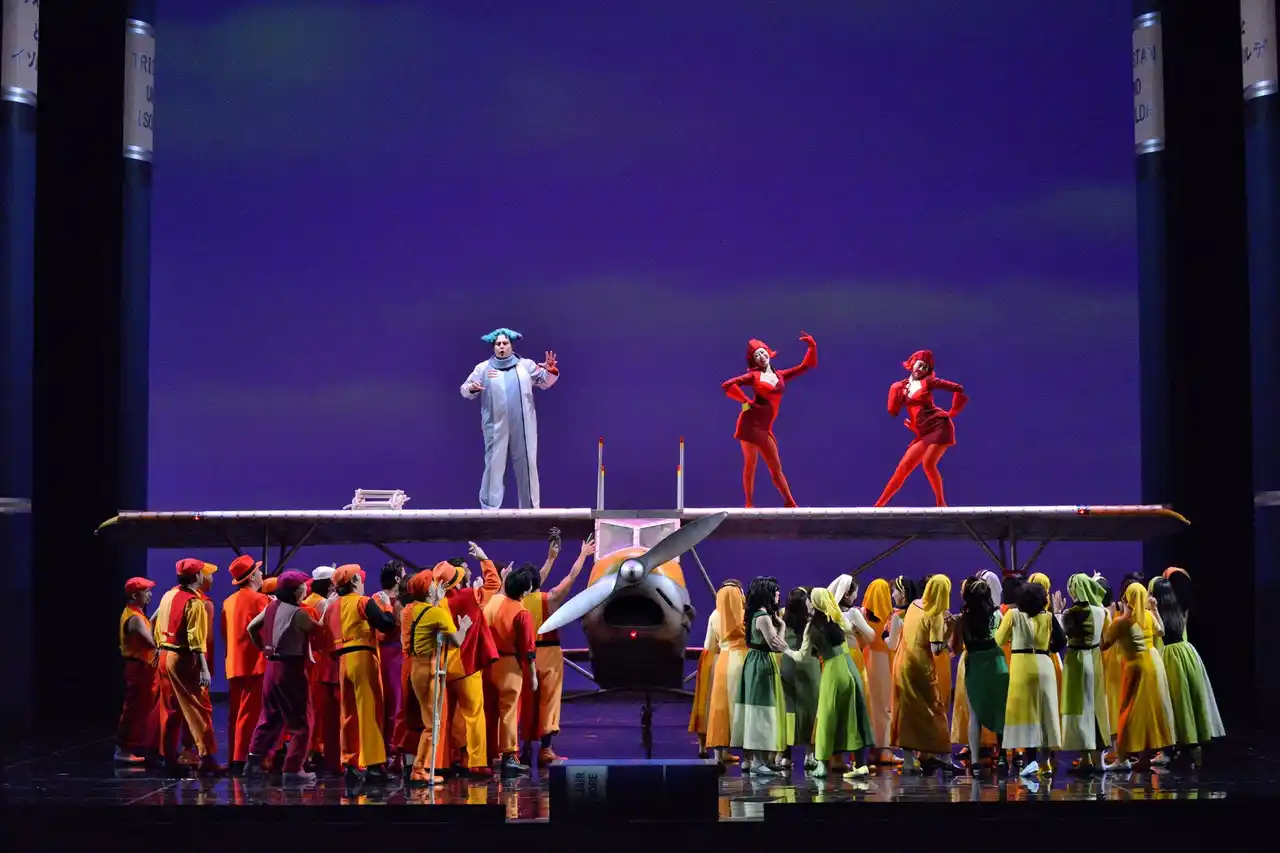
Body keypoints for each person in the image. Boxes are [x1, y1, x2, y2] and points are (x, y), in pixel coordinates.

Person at [460, 327, 560, 510]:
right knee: (494, 466)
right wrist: (472, 388)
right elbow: (465, 389)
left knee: (527, 465)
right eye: (498, 344)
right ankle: (489, 510)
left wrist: (551, 370)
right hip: (495, 426)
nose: (501, 346)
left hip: (523, 426)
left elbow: (544, 381)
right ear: (493, 347)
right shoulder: (483, 368)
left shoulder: (526, 366)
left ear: (511, 346)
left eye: (505, 343)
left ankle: (531, 511)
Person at [720, 332, 818, 507]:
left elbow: (804, 366)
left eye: (762, 352)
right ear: (754, 360)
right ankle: (749, 503)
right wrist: (745, 401)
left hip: (765, 426)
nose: (761, 356)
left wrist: (812, 346)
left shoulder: (780, 375)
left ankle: (790, 503)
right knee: (750, 464)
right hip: (750, 424)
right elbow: (727, 385)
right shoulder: (754, 376)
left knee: (775, 467)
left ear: (768, 352)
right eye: (757, 355)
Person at [785, 587, 875, 779]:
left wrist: (785, 649)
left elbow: (801, 656)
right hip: (850, 667)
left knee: (827, 718)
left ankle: (823, 765)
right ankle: (861, 764)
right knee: (854, 714)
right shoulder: (838, 618)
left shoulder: (812, 627)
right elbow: (854, 631)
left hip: (833, 670)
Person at [522, 535, 595, 766]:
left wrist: (550, 559)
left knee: (527, 702)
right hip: (549, 655)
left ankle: (524, 749)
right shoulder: (550, 598)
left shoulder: (516, 601)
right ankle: (546, 749)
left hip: (525, 656)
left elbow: (533, 583)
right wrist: (583, 554)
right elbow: (571, 576)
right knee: (549, 702)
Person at [324, 564, 399, 783]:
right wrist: (387, 606)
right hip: (362, 658)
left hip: (342, 661)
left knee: (348, 714)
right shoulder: (363, 602)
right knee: (369, 710)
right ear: (355, 581)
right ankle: (374, 766)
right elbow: (386, 625)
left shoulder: (332, 607)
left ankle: (350, 764)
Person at [244, 571, 319, 783]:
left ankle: (253, 761)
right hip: (290, 668)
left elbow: (251, 628)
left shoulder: (271, 607)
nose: (306, 589)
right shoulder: (298, 614)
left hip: (272, 666)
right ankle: (293, 769)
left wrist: (263, 648)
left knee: (269, 716)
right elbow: (320, 630)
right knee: (301, 721)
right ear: (296, 591)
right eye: (303, 586)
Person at [153, 559, 224, 776]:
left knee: (171, 709)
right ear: (197, 577)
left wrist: (158, 646)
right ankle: (206, 757)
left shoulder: (168, 595)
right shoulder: (194, 602)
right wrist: (203, 667)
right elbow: (196, 639)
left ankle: (168, 757)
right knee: (199, 707)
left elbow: (155, 619)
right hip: (182, 657)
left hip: (164, 655)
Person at [402, 572, 473, 785]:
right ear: (428, 591)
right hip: (430, 669)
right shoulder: (437, 613)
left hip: (415, 667)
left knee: (426, 720)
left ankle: (418, 767)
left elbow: (425, 617)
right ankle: (418, 769)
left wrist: (435, 600)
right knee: (432, 724)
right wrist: (464, 627)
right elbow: (456, 640)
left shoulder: (408, 610)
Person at [874, 349, 968, 507]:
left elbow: (958, 388)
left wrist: (952, 412)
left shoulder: (928, 382)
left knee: (928, 464)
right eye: (920, 365)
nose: (922, 369)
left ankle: (941, 504)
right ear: (912, 364)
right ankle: (878, 506)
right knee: (903, 467)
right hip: (925, 432)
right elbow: (893, 411)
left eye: (925, 367)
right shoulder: (902, 386)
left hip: (940, 427)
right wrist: (895, 391)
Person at [434, 559, 498, 778]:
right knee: (474, 715)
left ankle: (445, 761)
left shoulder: (437, 604)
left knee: (445, 718)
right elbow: (494, 584)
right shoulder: (470, 595)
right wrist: (484, 559)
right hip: (466, 666)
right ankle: (476, 763)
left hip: (443, 668)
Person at [1150, 576, 1224, 767]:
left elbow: (1159, 633)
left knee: (1178, 701)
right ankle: (1190, 746)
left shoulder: (1157, 612)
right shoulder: (1177, 608)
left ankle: (1185, 745)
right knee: (1187, 699)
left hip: (1171, 656)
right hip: (1187, 652)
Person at [1101, 582, 1174, 771]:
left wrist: (1105, 619)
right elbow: (1161, 631)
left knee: (1128, 710)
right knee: (1147, 711)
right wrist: (1154, 610)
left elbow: (1104, 644)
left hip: (1134, 667)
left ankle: (1122, 757)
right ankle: (1143, 757)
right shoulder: (1148, 616)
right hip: (1151, 665)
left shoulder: (1122, 622)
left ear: (1127, 599)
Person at [889, 574, 958, 773]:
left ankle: (909, 761)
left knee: (907, 712)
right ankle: (943, 756)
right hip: (921, 666)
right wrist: (951, 627)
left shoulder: (914, 605)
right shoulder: (935, 615)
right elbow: (937, 649)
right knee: (935, 710)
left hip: (902, 662)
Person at [997, 581, 1064, 776]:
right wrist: (1048, 648)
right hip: (1044, 664)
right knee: (1046, 713)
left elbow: (999, 639)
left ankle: (1031, 760)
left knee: (1027, 714)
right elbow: (1061, 641)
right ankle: (1045, 763)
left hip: (1022, 667)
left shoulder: (1013, 615)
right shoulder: (1049, 617)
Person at [482, 563, 540, 776]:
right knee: (509, 712)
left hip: (488, 664)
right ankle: (509, 757)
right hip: (508, 667)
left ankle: (486, 754)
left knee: (488, 711)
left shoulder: (493, 601)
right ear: (525, 592)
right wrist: (532, 675)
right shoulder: (522, 613)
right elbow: (528, 649)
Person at [948, 573, 1008, 774]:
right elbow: (1002, 638)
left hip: (975, 665)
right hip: (997, 664)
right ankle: (1002, 757)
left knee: (975, 715)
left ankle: (974, 761)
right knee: (1000, 711)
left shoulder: (962, 621)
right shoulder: (997, 616)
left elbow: (955, 649)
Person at [735, 577, 790, 774]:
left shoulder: (757, 615)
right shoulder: (764, 617)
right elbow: (776, 645)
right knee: (760, 710)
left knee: (763, 709)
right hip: (762, 663)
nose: (778, 594)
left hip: (758, 661)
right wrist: (782, 627)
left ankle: (763, 760)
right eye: (775, 590)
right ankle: (758, 762)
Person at [220, 555, 269, 775]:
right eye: (258, 571)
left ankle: (233, 757)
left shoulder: (228, 602)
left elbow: (224, 632)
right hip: (254, 663)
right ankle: (242, 759)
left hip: (234, 664)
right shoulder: (261, 600)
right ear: (251, 577)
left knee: (236, 714)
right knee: (250, 714)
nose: (262, 574)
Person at [1060, 573, 1112, 772]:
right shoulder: (1101, 612)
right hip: (1095, 659)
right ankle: (1098, 760)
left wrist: (1057, 612)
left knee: (1080, 708)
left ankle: (1085, 759)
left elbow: (1061, 636)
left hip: (1077, 661)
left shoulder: (1070, 614)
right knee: (1096, 706)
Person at [115, 577, 159, 765]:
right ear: (135, 595)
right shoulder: (134, 618)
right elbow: (151, 642)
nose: (150, 595)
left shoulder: (135, 614)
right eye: (146, 592)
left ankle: (133, 746)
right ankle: (124, 749)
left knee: (141, 708)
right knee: (135, 709)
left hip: (141, 666)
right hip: (138, 667)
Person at [704, 581, 747, 766]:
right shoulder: (745, 615)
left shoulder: (714, 615)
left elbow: (709, 645)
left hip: (723, 661)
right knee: (745, 707)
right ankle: (750, 758)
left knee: (720, 708)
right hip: (744, 661)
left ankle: (719, 754)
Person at [302, 566, 340, 774]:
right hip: (319, 658)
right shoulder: (323, 603)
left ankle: (312, 749)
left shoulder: (308, 600)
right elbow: (323, 630)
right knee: (318, 707)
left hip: (310, 657)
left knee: (311, 705)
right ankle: (315, 749)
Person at [779, 587, 820, 771]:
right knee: (811, 710)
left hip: (788, 665)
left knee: (788, 709)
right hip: (808, 667)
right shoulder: (811, 623)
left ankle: (785, 756)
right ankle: (810, 755)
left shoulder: (781, 619)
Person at [858, 579, 896, 765]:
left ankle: (871, 750)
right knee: (884, 705)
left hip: (866, 660)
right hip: (883, 663)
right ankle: (885, 750)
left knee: (870, 706)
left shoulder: (861, 614)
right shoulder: (891, 616)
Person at [372, 559, 406, 762]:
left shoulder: (376, 598)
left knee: (389, 701)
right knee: (393, 701)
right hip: (391, 655)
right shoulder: (390, 601)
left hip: (386, 653)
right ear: (397, 578)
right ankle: (391, 747)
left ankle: (387, 746)